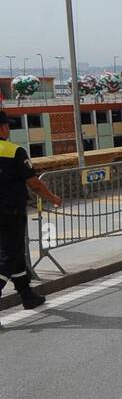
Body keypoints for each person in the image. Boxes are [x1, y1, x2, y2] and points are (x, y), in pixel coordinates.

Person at [0, 110, 62, 310]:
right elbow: (34, 182)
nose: (8, 128)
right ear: (1, 127)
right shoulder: (13, 151)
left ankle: (27, 296)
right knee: (9, 256)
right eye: (7, 125)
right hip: (10, 212)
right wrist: (52, 197)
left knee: (16, 254)